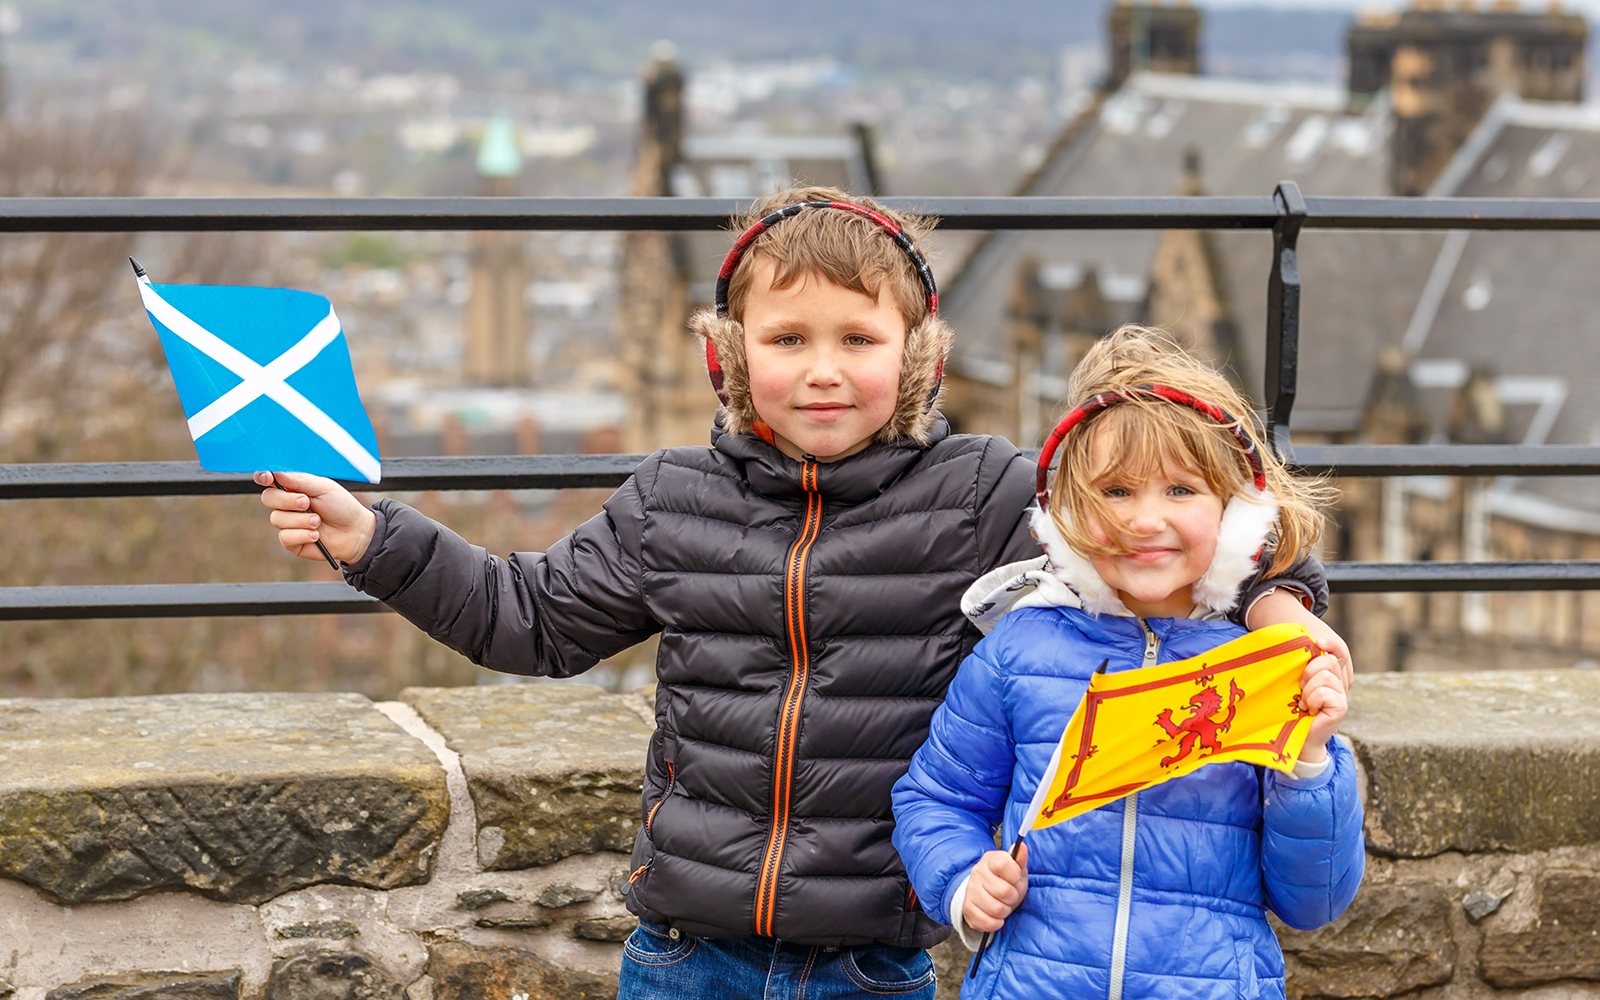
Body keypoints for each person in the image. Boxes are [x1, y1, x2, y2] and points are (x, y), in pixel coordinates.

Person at [256, 189, 1344, 1000]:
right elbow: (528, 618)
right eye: (786, 340)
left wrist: (1283, 610)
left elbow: (1188, 535)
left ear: (913, 356)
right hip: (687, 950)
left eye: (857, 340)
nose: (823, 370)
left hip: (872, 957)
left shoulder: (980, 495)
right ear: (732, 356)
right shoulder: (671, 499)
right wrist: (373, 539)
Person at [890, 326, 1365, 1000]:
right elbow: (935, 798)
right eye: (1115, 492)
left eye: (1180, 491)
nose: (1144, 520)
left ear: (1233, 515)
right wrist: (963, 877)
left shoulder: (1263, 668)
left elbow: (1312, 900)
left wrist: (1311, 761)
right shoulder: (1019, 651)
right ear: (1070, 511)